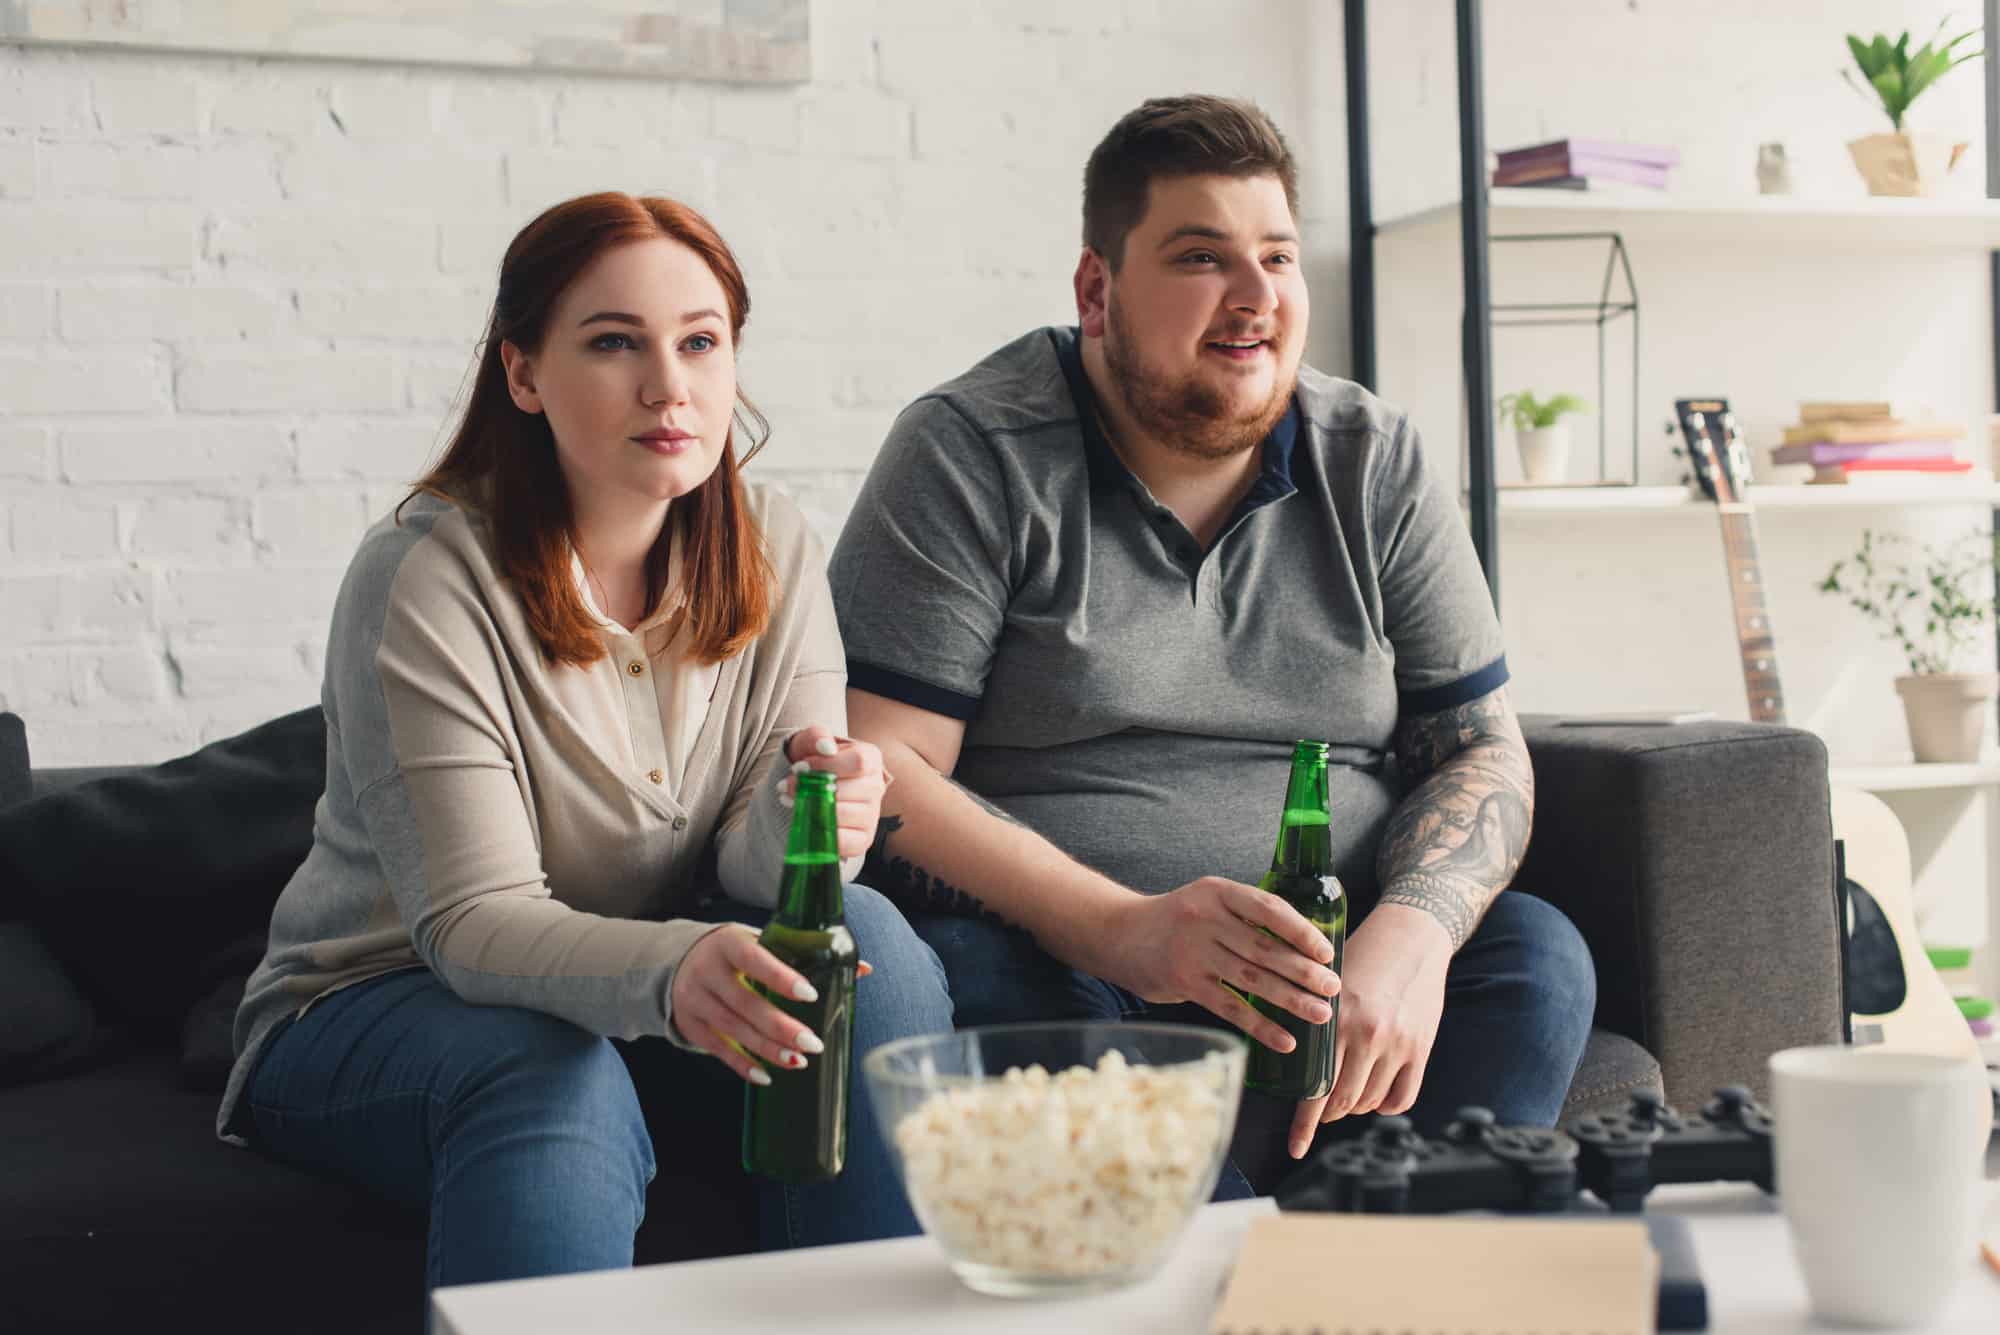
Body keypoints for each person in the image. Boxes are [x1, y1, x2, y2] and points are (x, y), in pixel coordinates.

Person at [828, 96, 1595, 1195]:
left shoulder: (1371, 458)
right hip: (1071, 960)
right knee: (975, 977)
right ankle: (1223, 1269)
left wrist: (1412, 934)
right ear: (1096, 290)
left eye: (1276, 259)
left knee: (1536, 956)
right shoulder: (970, 452)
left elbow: (1479, 747)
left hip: (1328, 961)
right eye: (1201, 259)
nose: (1255, 300)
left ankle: (1384, 1269)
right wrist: (1122, 929)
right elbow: (883, 766)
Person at [216, 192, 953, 1295]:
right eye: (614, 344)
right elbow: (469, 925)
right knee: (548, 1074)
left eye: (700, 343)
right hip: (383, 997)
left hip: (658, 983)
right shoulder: (426, 577)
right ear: (522, 374)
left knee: (867, 947)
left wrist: (811, 820)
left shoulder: (776, 544)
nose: (669, 385)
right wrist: (672, 971)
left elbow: (757, 875)